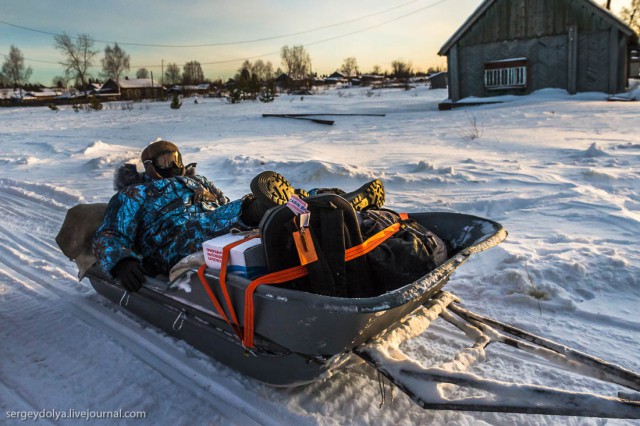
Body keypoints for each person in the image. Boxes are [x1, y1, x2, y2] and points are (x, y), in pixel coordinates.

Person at [93, 140, 385, 293]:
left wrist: (230, 213)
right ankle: (258, 209)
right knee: (209, 222)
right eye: (164, 162)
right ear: (149, 166)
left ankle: (324, 200)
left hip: (216, 228)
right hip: (170, 243)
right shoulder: (133, 195)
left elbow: (221, 205)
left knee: (224, 216)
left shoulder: (199, 181)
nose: (173, 166)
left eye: (176, 159)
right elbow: (109, 234)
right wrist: (121, 261)